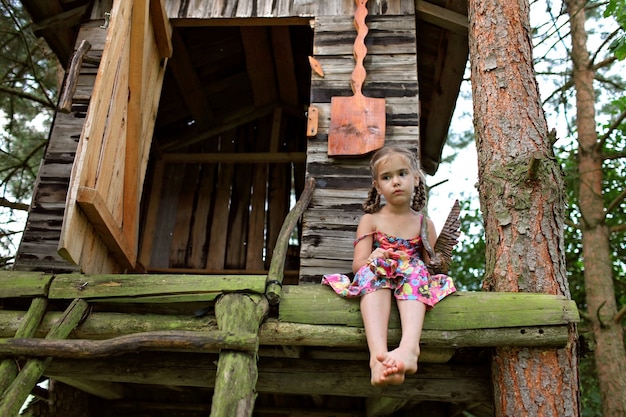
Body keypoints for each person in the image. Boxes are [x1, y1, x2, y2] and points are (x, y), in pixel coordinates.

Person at [322, 146, 456, 386]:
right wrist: (374, 257)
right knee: (374, 271)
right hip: (379, 278)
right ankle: (377, 358)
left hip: (413, 284)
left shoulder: (425, 224)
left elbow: (432, 270)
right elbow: (357, 266)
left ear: (416, 178)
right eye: (387, 177)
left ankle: (409, 349)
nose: (396, 182)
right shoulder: (370, 220)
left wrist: (438, 262)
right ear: (377, 185)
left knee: (415, 269)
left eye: (402, 173)